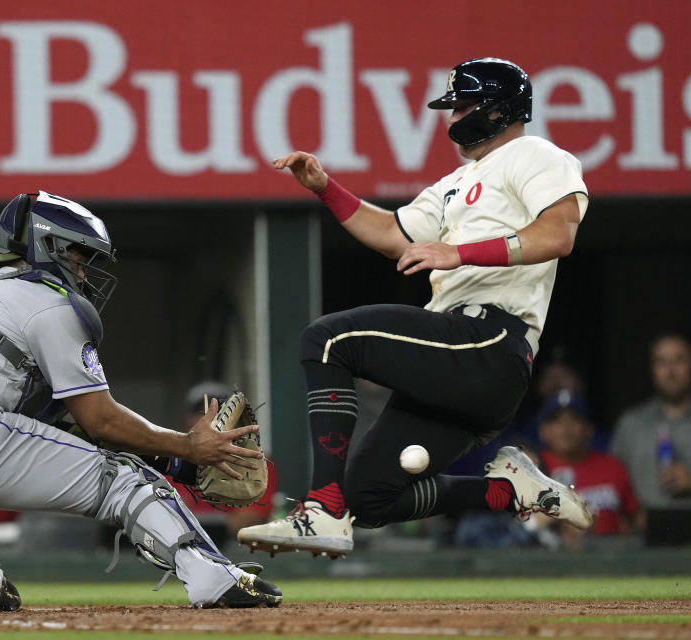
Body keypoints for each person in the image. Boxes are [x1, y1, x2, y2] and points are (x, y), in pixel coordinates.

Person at [0, 192, 281, 611]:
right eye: (78, 256)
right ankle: (211, 576)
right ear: (48, 246)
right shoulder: (47, 301)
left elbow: (59, 423)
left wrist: (175, 461)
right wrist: (187, 448)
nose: (84, 272)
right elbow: (100, 422)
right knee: (126, 479)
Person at [238, 58, 593, 557]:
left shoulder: (534, 153)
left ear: (498, 110)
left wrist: (459, 252)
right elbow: (391, 234)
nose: (452, 120)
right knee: (371, 498)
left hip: (489, 340)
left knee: (329, 340)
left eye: (464, 107)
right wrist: (324, 188)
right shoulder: (458, 181)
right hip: (461, 362)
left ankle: (321, 508)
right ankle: (513, 491)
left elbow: (558, 234)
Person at [166, 382, 277, 542]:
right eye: (201, 412)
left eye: (219, 412)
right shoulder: (168, 461)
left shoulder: (255, 460)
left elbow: (250, 518)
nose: (209, 419)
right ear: (186, 421)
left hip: (233, 554)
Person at [538, 390, 642, 542]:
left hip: (612, 557)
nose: (566, 428)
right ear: (543, 431)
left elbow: (636, 518)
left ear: (589, 428)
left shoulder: (612, 466)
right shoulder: (534, 469)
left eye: (574, 419)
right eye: (557, 421)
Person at [611, 332, 691, 508]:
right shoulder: (630, 424)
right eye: (661, 362)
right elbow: (612, 484)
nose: (670, 371)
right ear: (652, 369)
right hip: (641, 533)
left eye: (679, 360)